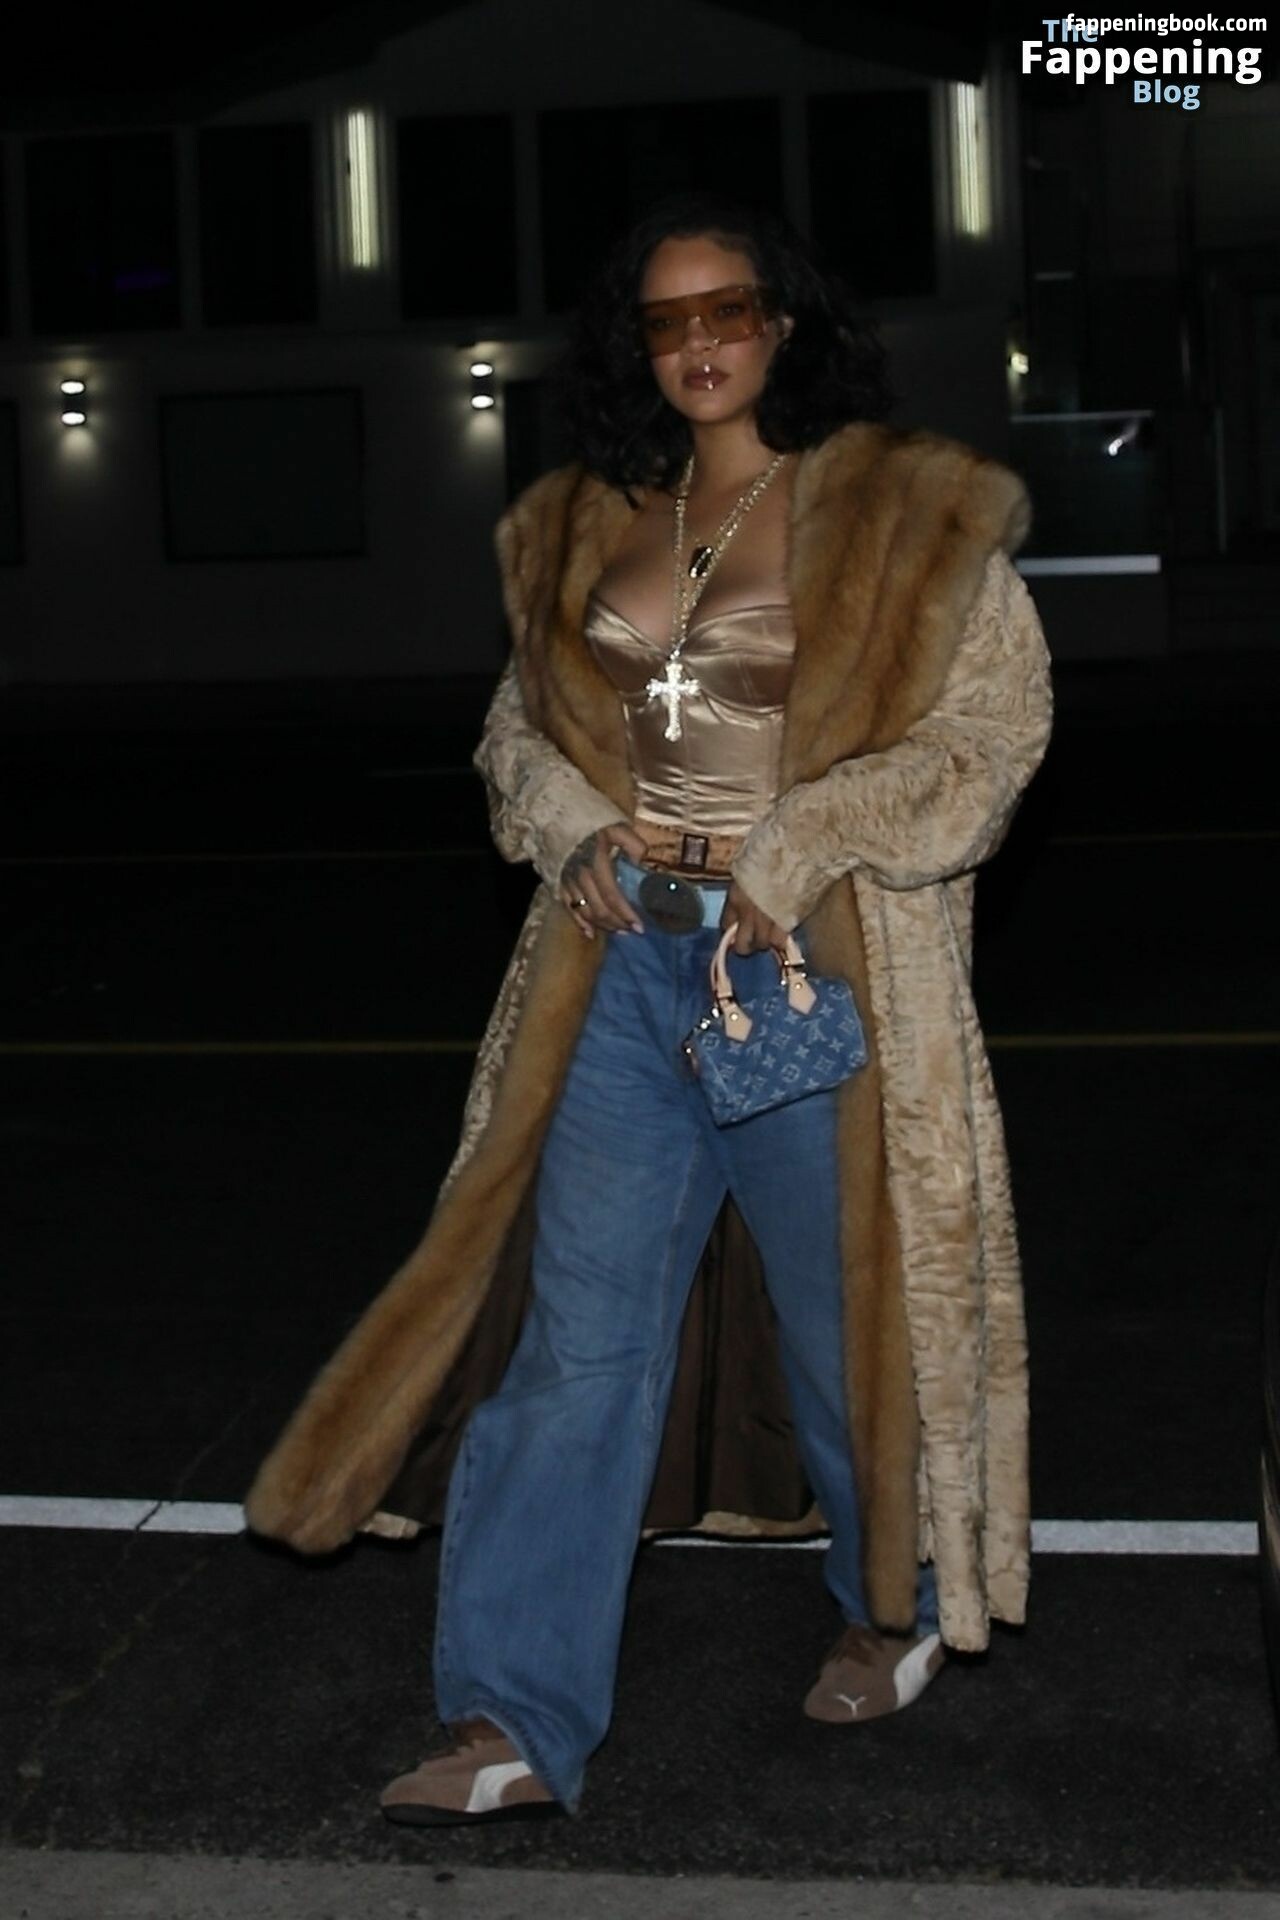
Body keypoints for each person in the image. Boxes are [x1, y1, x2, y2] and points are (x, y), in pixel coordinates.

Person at [246, 192, 1053, 1827]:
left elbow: (993, 734)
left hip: (805, 971)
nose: (699, 346)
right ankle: (512, 1711)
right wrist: (568, 826)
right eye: (666, 322)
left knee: (847, 1327)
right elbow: (514, 732)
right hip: (621, 971)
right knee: (578, 1345)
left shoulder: (907, 510)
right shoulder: (587, 522)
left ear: (786, 323)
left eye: (728, 311)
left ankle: (885, 1600)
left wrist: (806, 837)